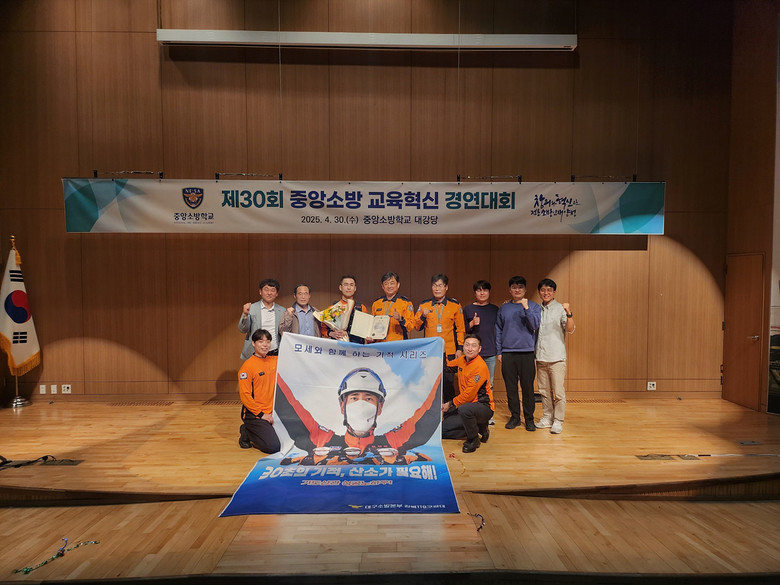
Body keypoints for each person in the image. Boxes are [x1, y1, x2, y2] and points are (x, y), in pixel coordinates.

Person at [274, 367, 441, 465]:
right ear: (342, 406)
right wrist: (272, 366)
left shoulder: (393, 442)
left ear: (380, 407)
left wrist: (440, 367)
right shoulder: (322, 440)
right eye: (354, 398)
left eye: (369, 399)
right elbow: (289, 405)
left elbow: (427, 415)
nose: (361, 405)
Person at [495, 275, 541, 431]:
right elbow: (498, 330)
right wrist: (499, 351)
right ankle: (515, 417)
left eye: (520, 287)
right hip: (508, 353)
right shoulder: (504, 308)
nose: (517, 290)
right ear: (510, 290)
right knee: (511, 388)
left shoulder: (533, 306)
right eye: (514, 287)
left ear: (525, 289)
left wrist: (526, 308)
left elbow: (534, 325)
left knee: (528, 388)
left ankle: (529, 419)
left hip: (527, 353)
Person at [414, 274, 465, 402]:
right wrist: (422, 316)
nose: (437, 289)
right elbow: (416, 327)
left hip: (449, 352)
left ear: (446, 287)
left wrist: (460, 348)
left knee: (448, 384)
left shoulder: (455, 305)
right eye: (434, 285)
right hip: (430, 352)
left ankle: (449, 410)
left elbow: (460, 329)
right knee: (430, 383)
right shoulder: (424, 305)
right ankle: (431, 411)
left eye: (440, 285)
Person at [441, 334, 495, 453]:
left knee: (464, 409)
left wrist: (449, 404)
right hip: (467, 406)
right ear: (463, 347)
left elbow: (468, 396)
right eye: (467, 345)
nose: (470, 348)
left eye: (474, 346)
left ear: (479, 349)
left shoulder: (479, 366)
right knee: (442, 430)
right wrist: (443, 351)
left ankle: (473, 440)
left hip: (483, 407)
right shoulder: (462, 360)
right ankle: (479, 427)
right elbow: (446, 367)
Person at [535, 278, 575, 434]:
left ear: (554, 292)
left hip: (556, 357)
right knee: (544, 391)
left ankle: (558, 420)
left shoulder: (560, 308)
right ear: (539, 292)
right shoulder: (536, 309)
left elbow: (570, 329)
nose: (546, 293)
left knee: (558, 392)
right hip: (541, 356)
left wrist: (569, 313)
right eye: (543, 290)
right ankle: (547, 417)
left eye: (549, 290)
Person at [237, 329, 281, 453]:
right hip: (256, 414)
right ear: (253, 343)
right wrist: (262, 415)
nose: (265, 345)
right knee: (273, 447)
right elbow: (245, 396)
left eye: (268, 341)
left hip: (273, 412)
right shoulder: (247, 367)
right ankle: (247, 431)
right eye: (261, 341)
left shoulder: (274, 360)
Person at [463, 280, 499, 387]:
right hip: (472, 352)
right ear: (475, 293)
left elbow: (500, 329)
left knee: (489, 383)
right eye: (479, 290)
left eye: (485, 290)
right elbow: (462, 330)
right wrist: (471, 323)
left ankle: (487, 399)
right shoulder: (468, 309)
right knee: (472, 383)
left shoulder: (495, 309)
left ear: (489, 292)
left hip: (491, 352)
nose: (482, 293)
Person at [239, 278, 286, 359]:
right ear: (260, 292)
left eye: (273, 290)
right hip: (255, 352)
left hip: (275, 352)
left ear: (276, 294)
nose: (269, 293)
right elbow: (243, 330)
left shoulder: (282, 311)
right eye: (266, 289)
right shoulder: (251, 308)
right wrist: (245, 315)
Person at [321, 275, 369, 344]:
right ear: (340, 287)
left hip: (356, 346)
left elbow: (364, 330)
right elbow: (323, 329)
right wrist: (331, 333)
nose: (349, 288)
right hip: (337, 346)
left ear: (355, 288)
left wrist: (347, 333)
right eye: (346, 285)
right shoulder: (333, 307)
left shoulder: (361, 308)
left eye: (351, 285)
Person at [369, 272, 416, 342]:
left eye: (392, 283)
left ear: (398, 285)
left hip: (398, 344)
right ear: (382, 286)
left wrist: (400, 319)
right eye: (386, 284)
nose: (389, 286)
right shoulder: (376, 303)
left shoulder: (406, 303)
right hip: (380, 344)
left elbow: (410, 327)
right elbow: (371, 326)